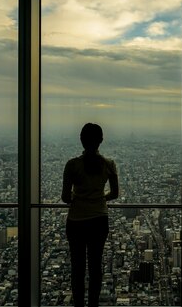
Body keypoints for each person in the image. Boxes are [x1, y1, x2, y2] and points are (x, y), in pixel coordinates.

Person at [62, 123, 119, 307]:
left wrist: (79, 197)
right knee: (95, 266)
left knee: (77, 267)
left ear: (81, 139)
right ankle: (93, 305)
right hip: (99, 220)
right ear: (101, 141)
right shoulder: (109, 165)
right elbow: (115, 193)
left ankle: (78, 305)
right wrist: (99, 198)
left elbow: (65, 197)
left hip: (76, 220)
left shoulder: (72, 165)